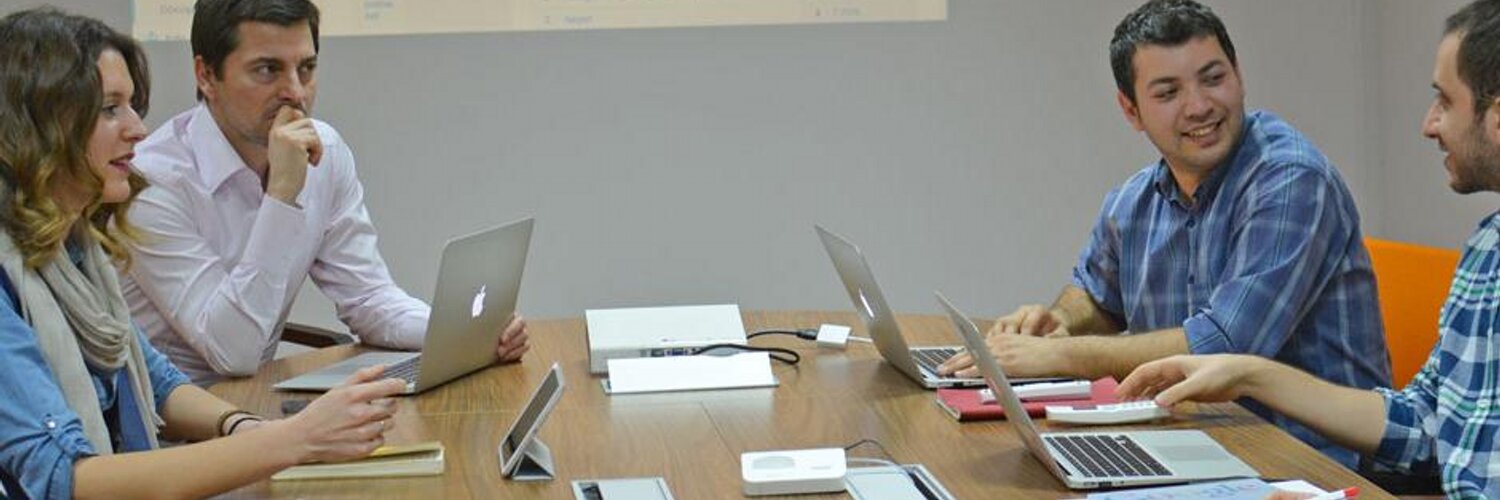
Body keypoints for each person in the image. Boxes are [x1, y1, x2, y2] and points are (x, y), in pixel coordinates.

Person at [937, 0, 1390, 467]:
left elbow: (1223, 346)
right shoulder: (1133, 199)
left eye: (1213, 78)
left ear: (1238, 75)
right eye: (1169, 92)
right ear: (1131, 110)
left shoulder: (1291, 180)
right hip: (1192, 445)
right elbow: (1095, 296)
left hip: (1311, 463)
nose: (1199, 106)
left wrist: (1057, 357)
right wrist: (1055, 325)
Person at [0, 8, 409, 498]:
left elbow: (154, 378)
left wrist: (243, 426)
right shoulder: (140, 192)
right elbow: (61, 477)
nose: (138, 129)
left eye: (131, 106)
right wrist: (293, 439)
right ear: (35, 128)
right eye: (109, 109)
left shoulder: (74, 246)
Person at [1120, 1, 1500, 496]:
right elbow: (1427, 423)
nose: (1430, 124)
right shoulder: (1487, 247)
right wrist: (1248, 375)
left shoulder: (1291, 175)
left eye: (1445, 102)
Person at [121, 0, 528, 384]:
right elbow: (234, 354)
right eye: (267, 70)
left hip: (259, 404)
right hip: (170, 421)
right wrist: (282, 194)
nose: (296, 93)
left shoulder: (325, 151)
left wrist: (460, 333)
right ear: (206, 75)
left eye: (307, 68)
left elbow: (368, 299)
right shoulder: (149, 181)